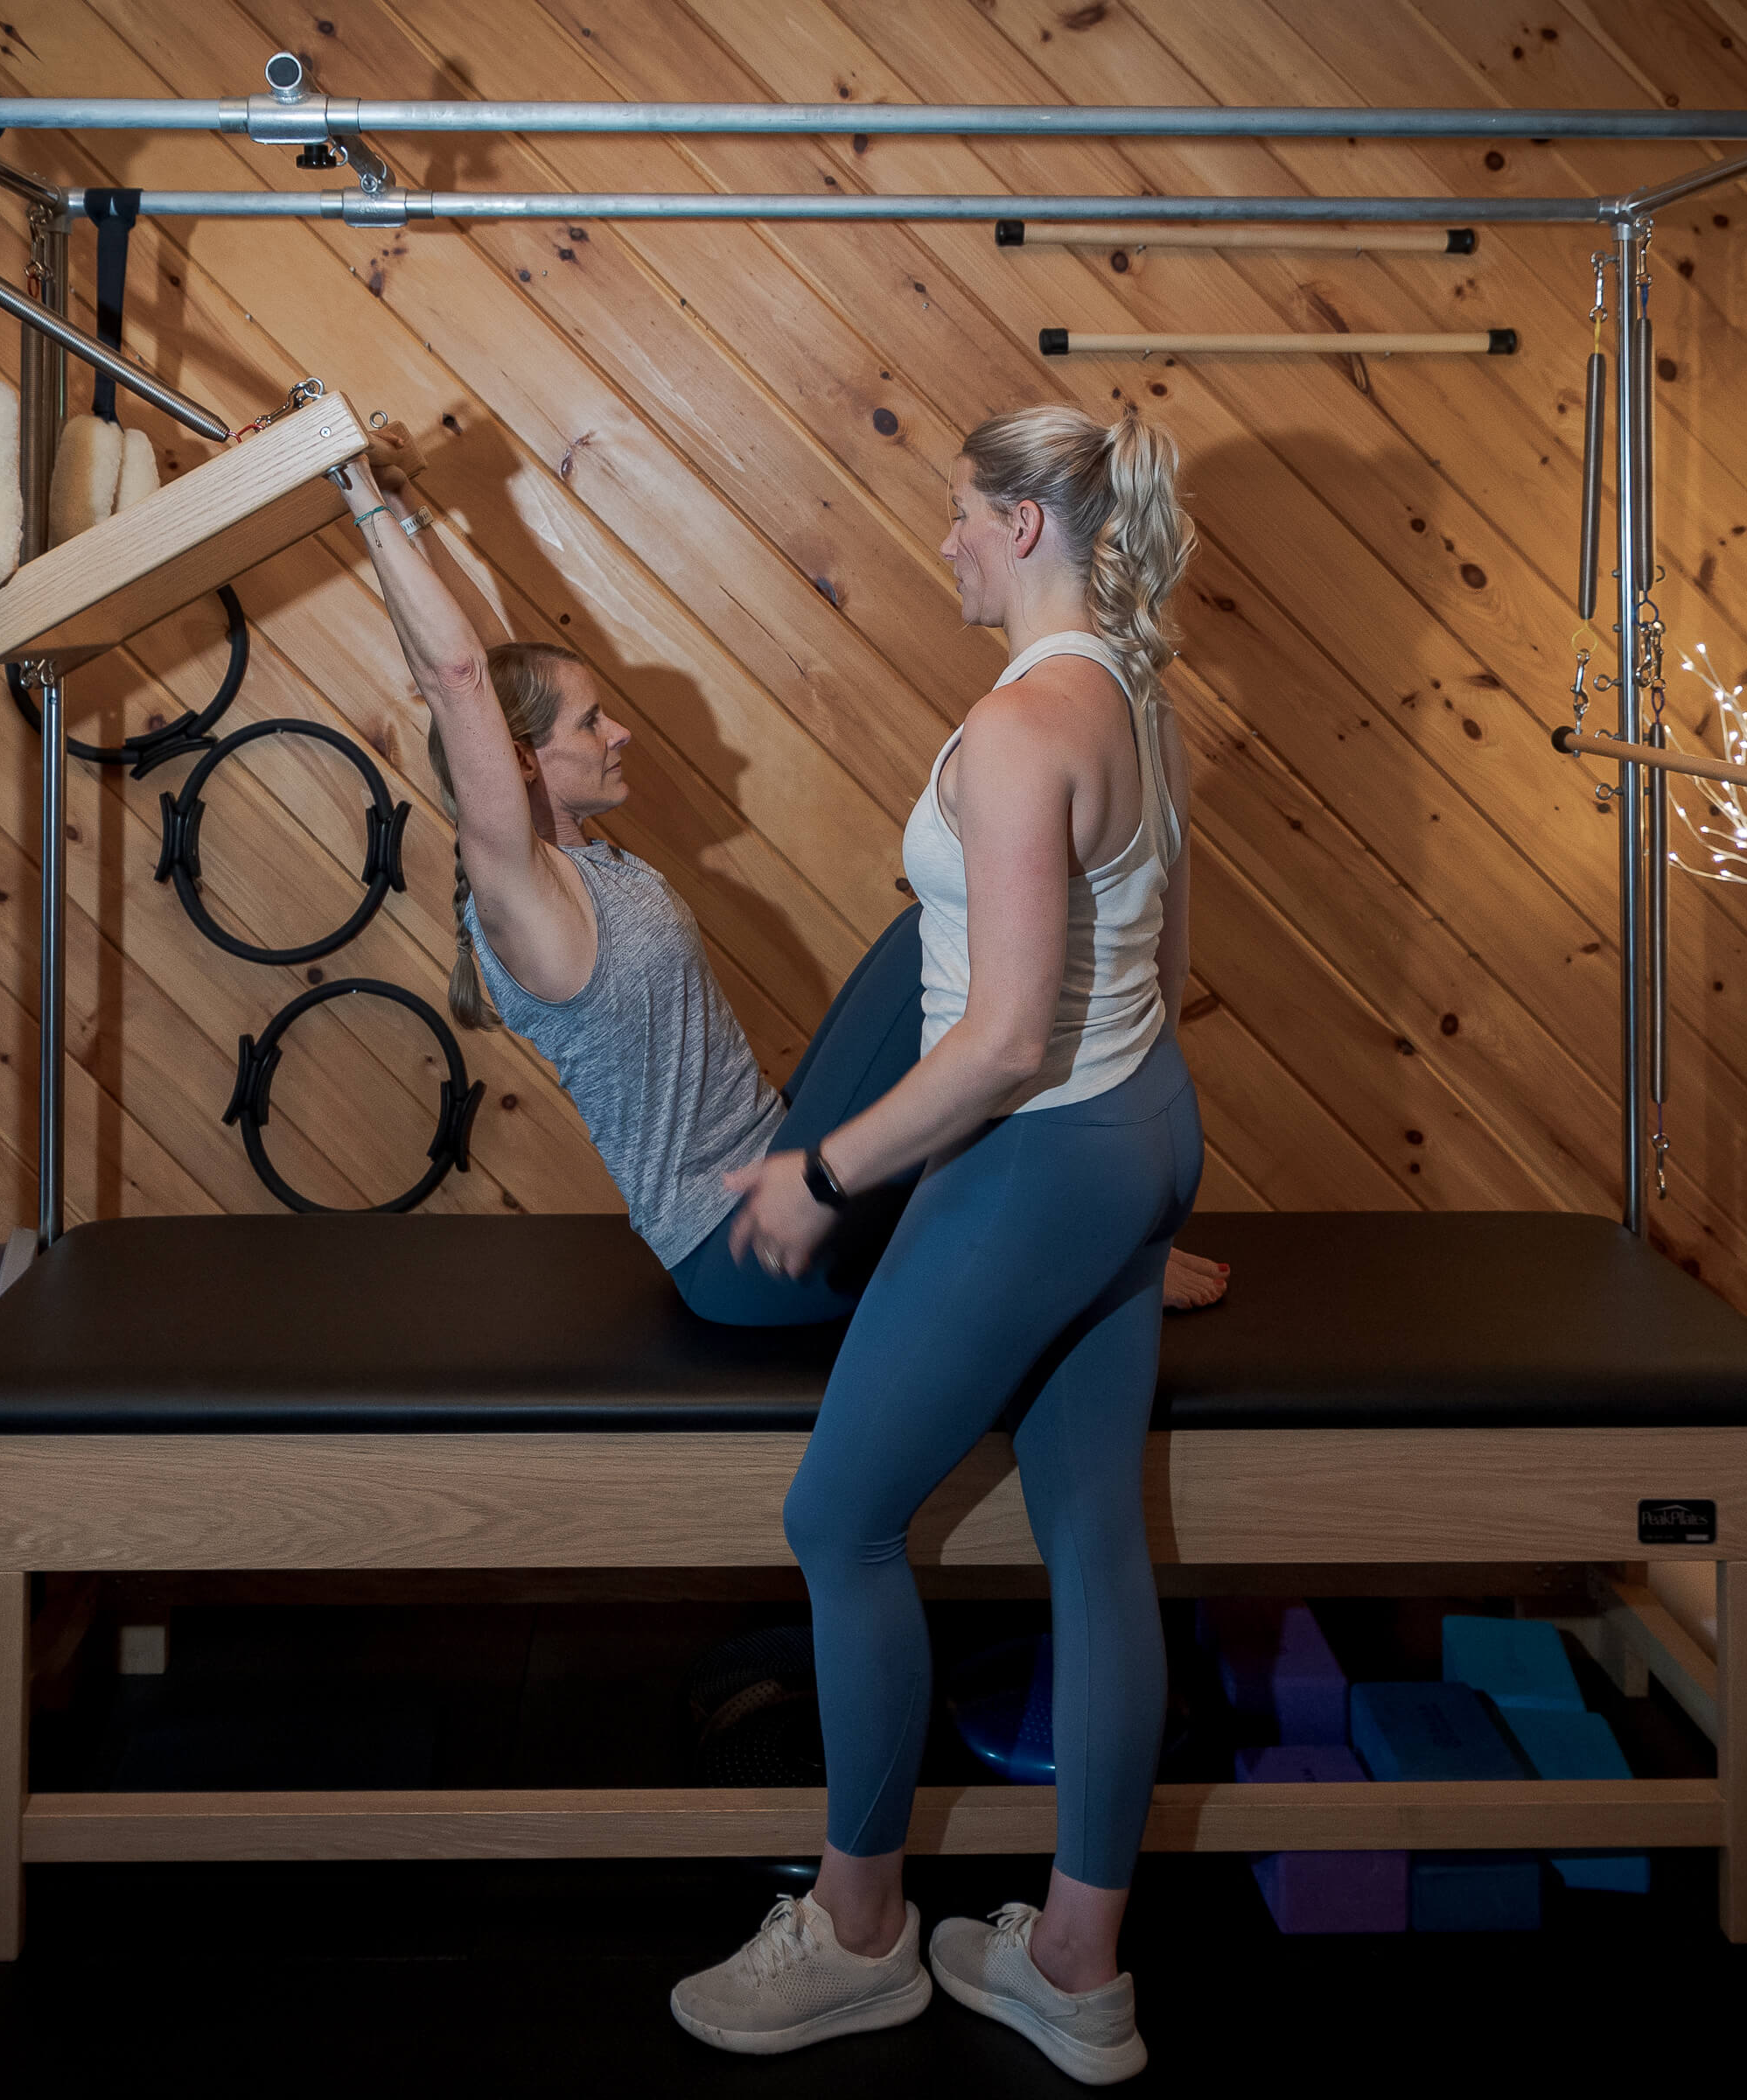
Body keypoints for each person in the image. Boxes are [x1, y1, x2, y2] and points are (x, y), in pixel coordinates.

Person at [666, 402, 1202, 2085]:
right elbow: (1153, 968)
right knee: (1092, 1536)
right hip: (1136, 1133)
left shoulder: (1025, 723)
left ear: (1030, 527)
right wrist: (1132, 1192)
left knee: (838, 1518)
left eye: (963, 516)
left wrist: (818, 1174)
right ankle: (1072, 1968)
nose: (948, 540)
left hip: (1041, 1156)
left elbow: (996, 1040)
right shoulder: (1127, 690)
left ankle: (860, 1933)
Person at [329, 452, 1226, 1327]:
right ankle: (1099, 1237)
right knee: (945, 947)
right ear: (523, 759)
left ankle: (1090, 1216)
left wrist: (413, 510)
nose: (621, 732)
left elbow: (489, 662)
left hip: (777, 1157)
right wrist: (355, 492)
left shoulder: (578, 859)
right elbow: (460, 682)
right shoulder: (524, 898)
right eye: (592, 721)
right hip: (744, 1247)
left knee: (949, 937)